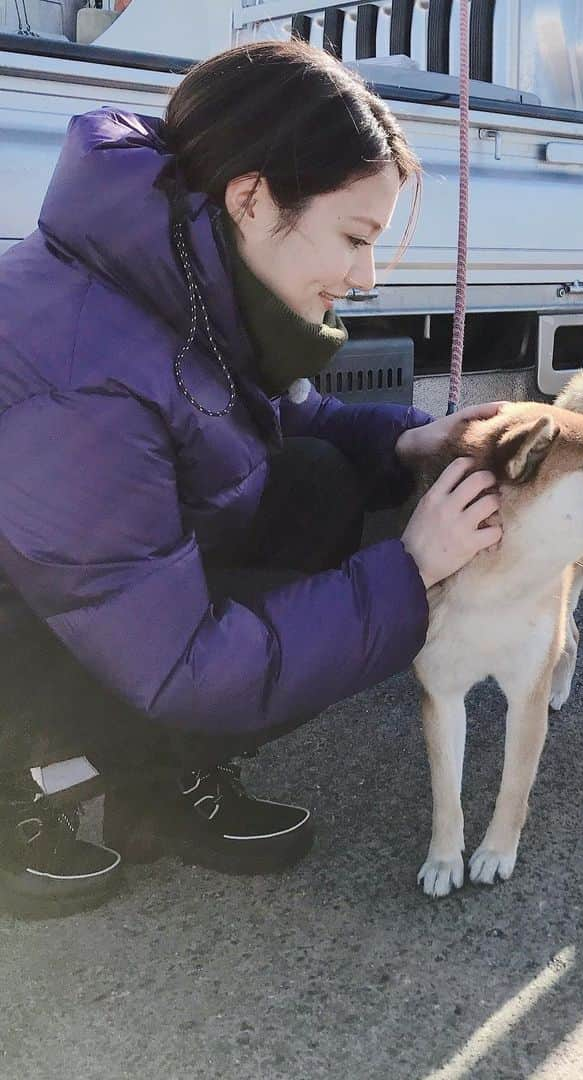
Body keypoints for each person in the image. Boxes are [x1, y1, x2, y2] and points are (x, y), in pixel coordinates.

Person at [0, 41, 503, 918]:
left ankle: (154, 791)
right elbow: (181, 663)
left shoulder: (182, 275)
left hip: (89, 598)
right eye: (354, 238)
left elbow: (288, 421)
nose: (366, 276)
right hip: (36, 617)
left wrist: (407, 445)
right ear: (252, 198)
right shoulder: (81, 368)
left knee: (315, 476)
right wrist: (410, 569)